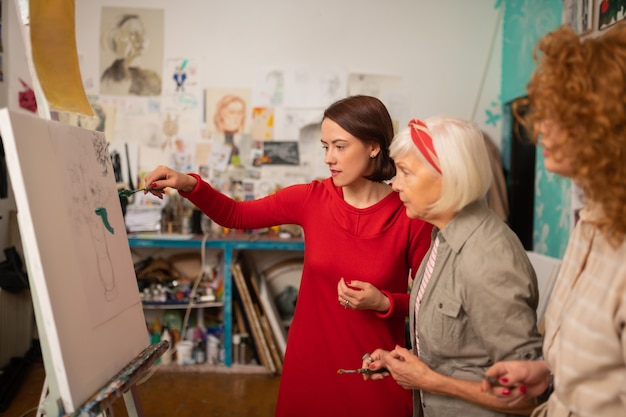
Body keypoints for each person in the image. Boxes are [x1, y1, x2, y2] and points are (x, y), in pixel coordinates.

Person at [143, 95, 434, 417]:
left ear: (373, 147)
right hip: (310, 362)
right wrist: (188, 184)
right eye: (325, 147)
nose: (329, 158)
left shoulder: (410, 215)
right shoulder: (311, 198)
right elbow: (236, 215)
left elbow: (431, 304)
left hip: (373, 365)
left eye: (340, 146)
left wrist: (385, 303)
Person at [481, 23, 626, 417]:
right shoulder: (591, 225)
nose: (541, 127)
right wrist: (546, 374)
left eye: (559, 114)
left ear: (608, 124)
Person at [363, 115, 543, 417]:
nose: (395, 185)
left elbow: (526, 397)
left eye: (406, 173)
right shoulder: (442, 236)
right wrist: (409, 363)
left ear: (449, 176)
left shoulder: (487, 258)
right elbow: (465, 352)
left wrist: (429, 381)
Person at [100, 14, 161, 96]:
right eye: (133, 34)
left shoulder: (152, 79)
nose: (141, 39)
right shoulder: (110, 77)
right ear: (118, 39)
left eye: (142, 33)